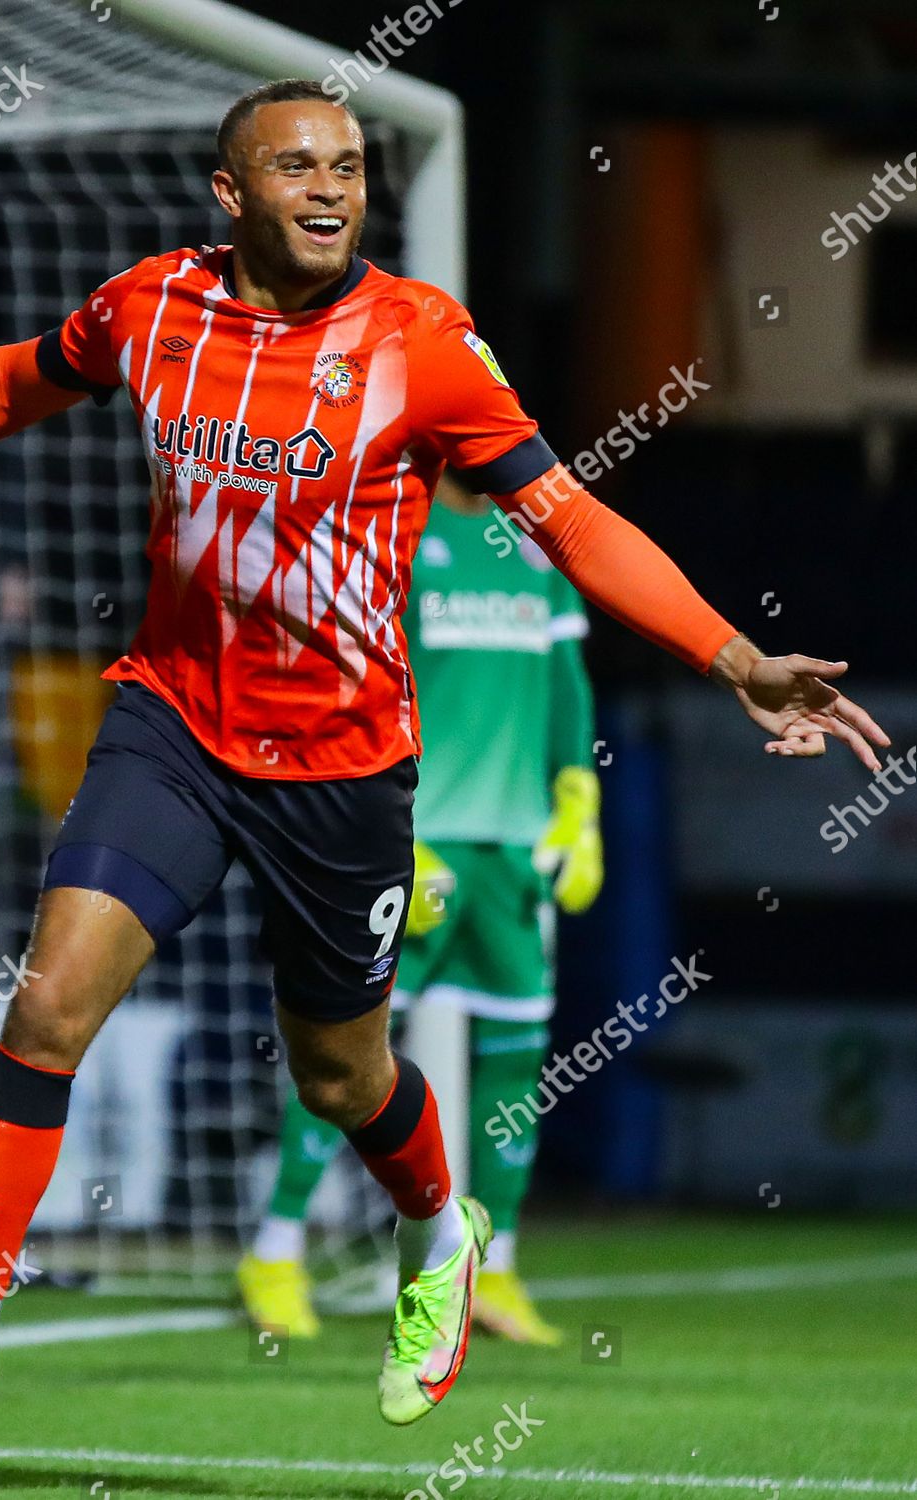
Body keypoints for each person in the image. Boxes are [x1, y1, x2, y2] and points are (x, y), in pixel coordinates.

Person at [0, 78, 887, 1470]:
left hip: (340, 765)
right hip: (169, 725)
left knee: (340, 1077)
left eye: (350, 168)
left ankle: (437, 1237)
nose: (329, 188)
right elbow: (12, 381)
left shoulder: (422, 343)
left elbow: (572, 520)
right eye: (297, 166)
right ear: (228, 193)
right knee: (49, 1004)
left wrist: (732, 657)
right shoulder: (150, 306)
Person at [239, 473, 601, 1347]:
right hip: (416, 841)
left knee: (518, 1053)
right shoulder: (397, 534)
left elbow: (566, 682)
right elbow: (358, 680)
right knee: (348, 1049)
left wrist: (579, 796)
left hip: (512, 849)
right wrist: (386, 824)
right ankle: (276, 1250)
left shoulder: (537, 542)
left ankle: (498, 1267)